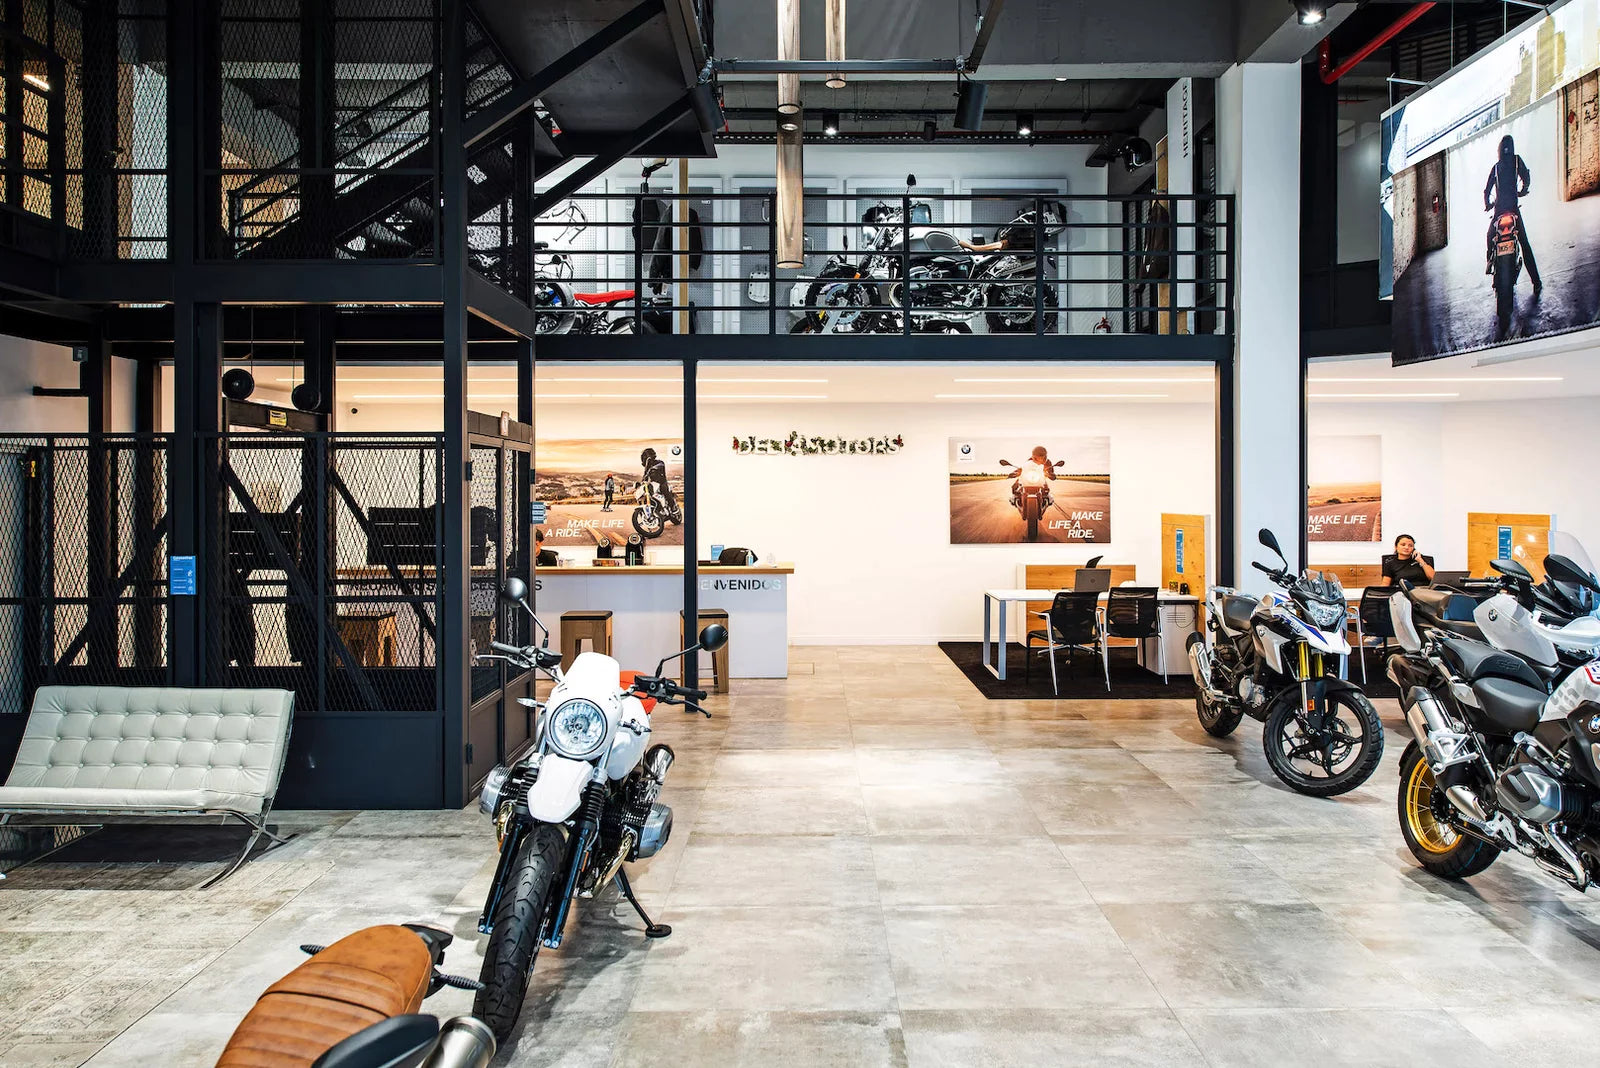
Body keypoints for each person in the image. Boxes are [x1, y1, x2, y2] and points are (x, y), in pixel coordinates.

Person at [1483, 133, 1542, 292]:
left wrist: (1488, 204)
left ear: (1499, 150)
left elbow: (1487, 190)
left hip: (1499, 211)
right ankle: (1536, 282)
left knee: (1490, 236)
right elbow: (1526, 177)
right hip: (1513, 210)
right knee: (1524, 244)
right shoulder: (1516, 160)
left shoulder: (1496, 167)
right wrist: (1523, 190)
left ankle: (1490, 261)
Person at [640, 447, 677, 513]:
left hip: (662, 482)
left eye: (645, 457)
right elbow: (645, 475)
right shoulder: (647, 467)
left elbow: (661, 465)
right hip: (653, 484)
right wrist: (642, 481)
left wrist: (651, 468)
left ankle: (672, 506)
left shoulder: (659, 462)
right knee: (647, 492)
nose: (644, 459)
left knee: (664, 490)